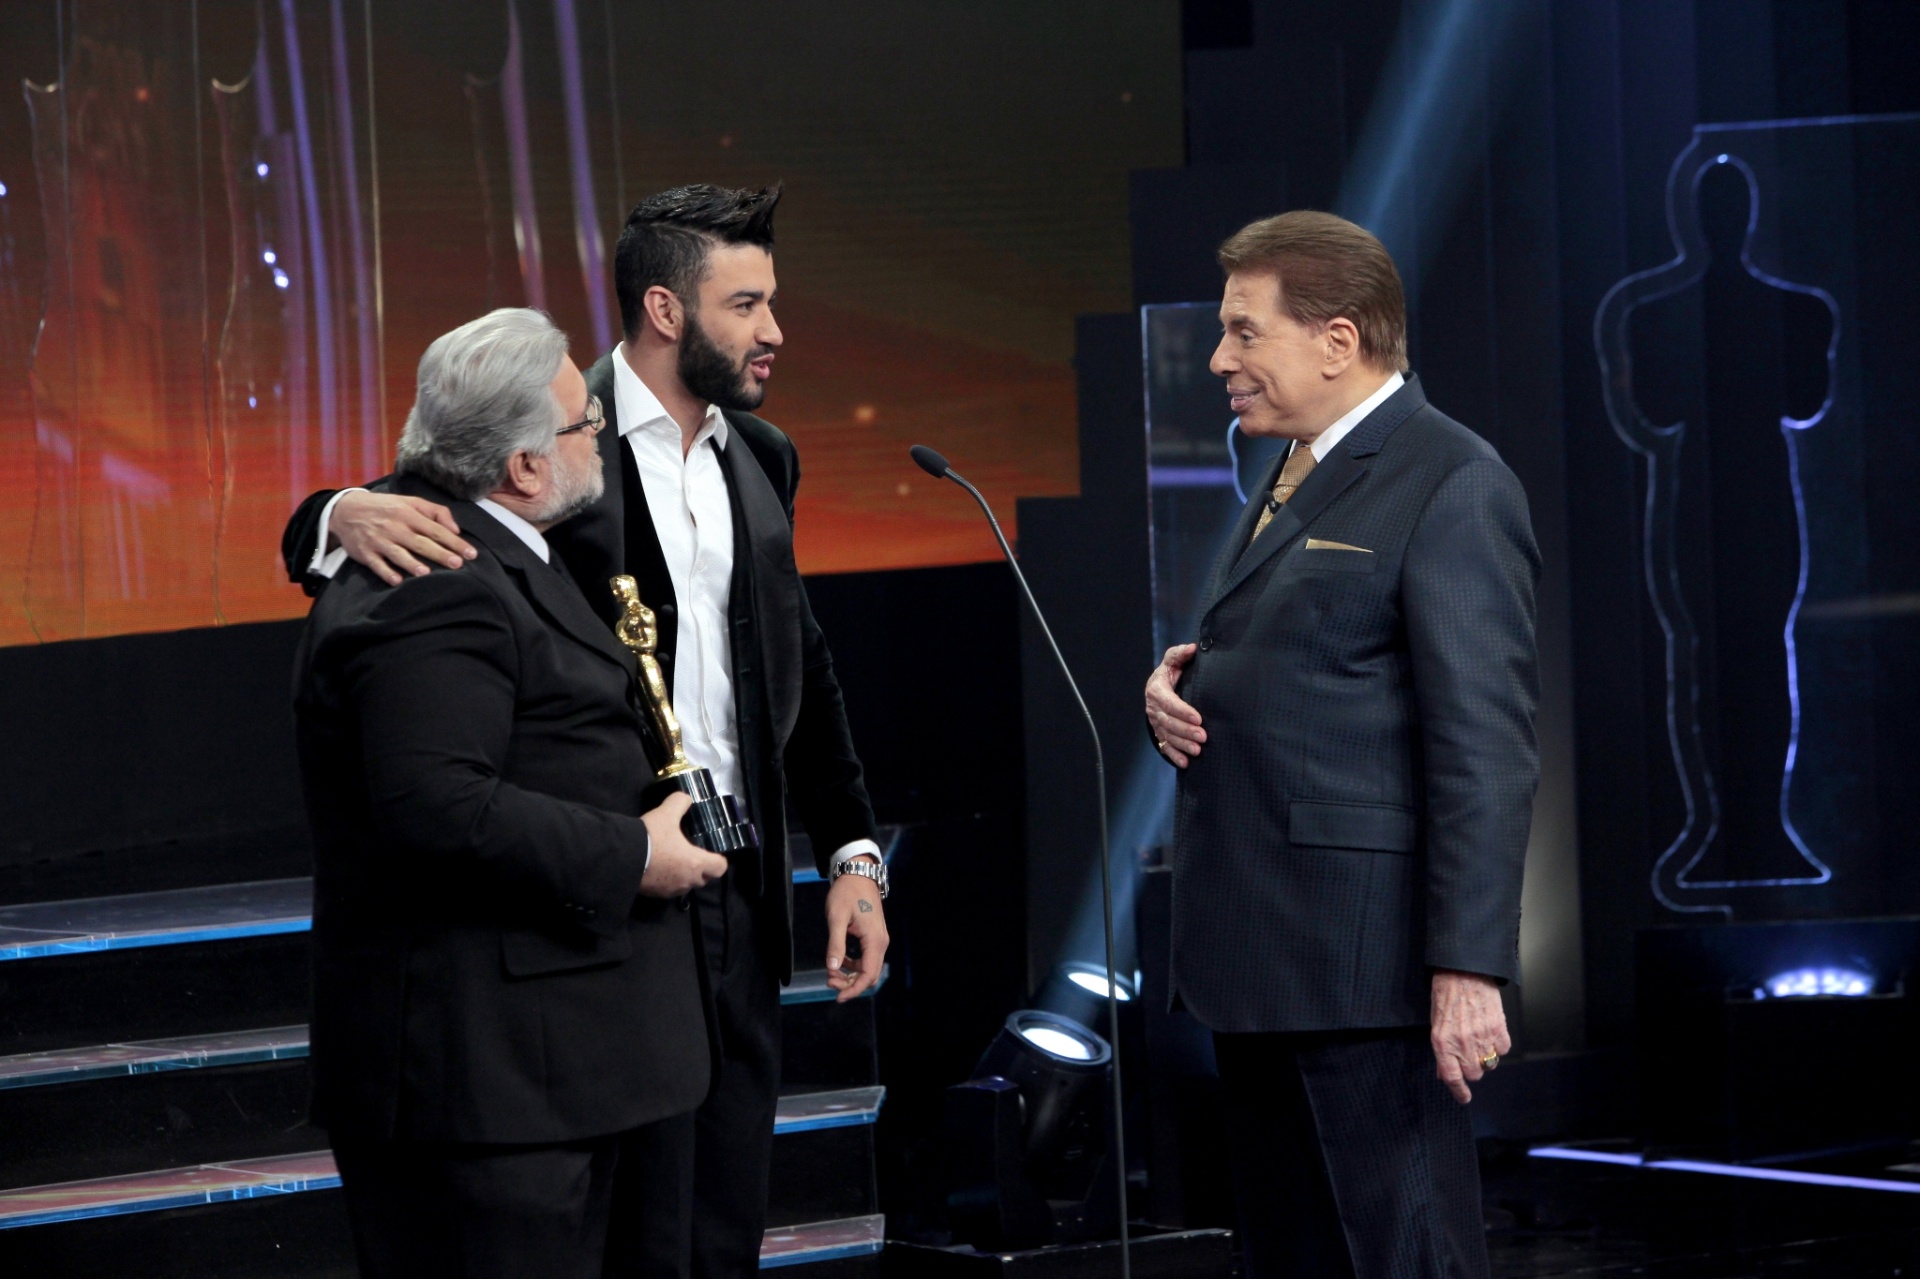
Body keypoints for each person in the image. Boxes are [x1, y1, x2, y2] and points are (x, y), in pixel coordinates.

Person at [281, 185, 888, 1279]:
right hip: (600, 912)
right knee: (631, 1236)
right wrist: (328, 514)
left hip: (734, 891)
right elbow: (437, 501)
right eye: (746, 304)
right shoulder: (561, 433)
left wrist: (850, 853)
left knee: (721, 1226)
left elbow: (801, 666)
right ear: (666, 308)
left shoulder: (765, 455)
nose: (775, 331)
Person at [1142, 211, 1538, 1279]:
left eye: (1243, 331)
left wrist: (1468, 967)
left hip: (1368, 975)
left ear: (1338, 340)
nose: (1220, 359)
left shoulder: (1452, 478)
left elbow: (1486, 749)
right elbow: (1312, 657)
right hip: (1263, 962)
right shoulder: (1294, 467)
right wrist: (1180, 689)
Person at [295, 308, 731, 1278]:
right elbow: (438, 807)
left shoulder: (500, 534)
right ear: (525, 465)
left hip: (565, 1068)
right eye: (585, 422)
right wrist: (635, 855)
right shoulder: (434, 580)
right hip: (493, 1092)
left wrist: (330, 509)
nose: (602, 434)